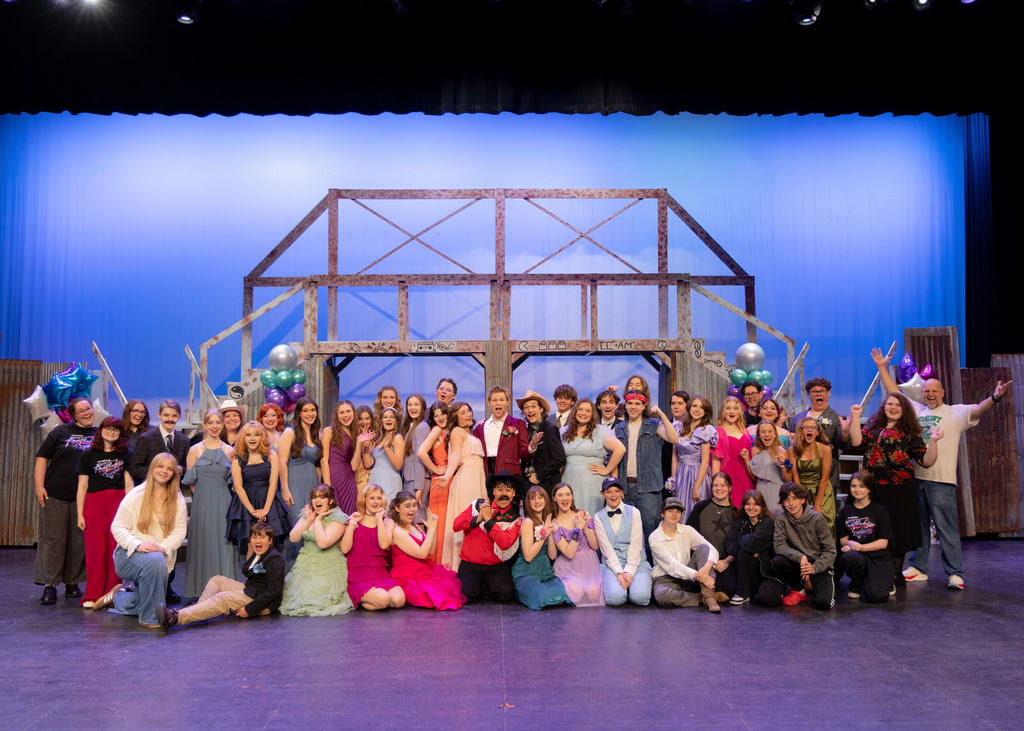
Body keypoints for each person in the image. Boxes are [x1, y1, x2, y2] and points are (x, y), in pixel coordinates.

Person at [872, 346, 1013, 590]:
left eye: (934, 391)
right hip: (915, 478)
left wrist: (996, 397)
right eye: (927, 391)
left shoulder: (955, 412)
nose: (930, 394)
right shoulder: (916, 411)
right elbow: (893, 391)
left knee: (946, 527)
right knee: (919, 528)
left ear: (942, 392)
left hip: (941, 480)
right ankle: (919, 568)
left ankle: (955, 573)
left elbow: (979, 409)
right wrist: (882, 367)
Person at [847, 393, 942, 589]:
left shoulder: (910, 432)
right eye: (890, 404)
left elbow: (926, 461)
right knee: (871, 530)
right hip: (872, 488)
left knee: (897, 533)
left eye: (898, 405)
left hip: (899, 490)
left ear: (904, 409)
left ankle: (895, 575)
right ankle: (874, 572)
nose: (893, 407)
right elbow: (856, 442)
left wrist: (933, 441)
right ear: (884, 407)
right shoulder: (873, 426)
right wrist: (856, 417)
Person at [93, 453, 188, 628]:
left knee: (145, 595)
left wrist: (162, 547)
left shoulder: (177, 499)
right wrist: (138, 544)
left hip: (160, 556)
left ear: (174, 473)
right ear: (152, 468)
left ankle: (120, 598)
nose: (164, 471)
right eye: (160, 467)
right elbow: (118, 527)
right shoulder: (136, 495)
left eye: (169, 469)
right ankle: (151, 618)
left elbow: (180, 531)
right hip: (128, 555)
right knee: (154, 563)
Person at [155, 521, 284, 629]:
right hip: (250, 590)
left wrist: (250, 610)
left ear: (270, 540)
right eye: (254, 537)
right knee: (217, 580)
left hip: (258, 599)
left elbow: (273, 591)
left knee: (222, 598)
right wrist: (251, 549)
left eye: (262, 537)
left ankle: (175, 618)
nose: (258, 540)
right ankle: (198, 609)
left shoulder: (274, 559)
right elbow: (246, 570)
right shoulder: (259, 554)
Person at [34, 395, 95, 605]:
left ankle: (73, 583)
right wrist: (39, 486)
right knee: (54, 540)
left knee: (78, 542)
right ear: (73, 415)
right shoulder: (61, 432)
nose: (87, 413)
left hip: (84, 498)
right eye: (81, 411)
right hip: (56, 494)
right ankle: (50, 585)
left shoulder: (98, 435)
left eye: (88, 408)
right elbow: (42, 458)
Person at [75, 415, 133, 607]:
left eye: (116, 429)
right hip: (94, 502)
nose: (112, 432)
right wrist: (80, 514)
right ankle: (92, 594)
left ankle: (112, 594)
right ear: (101, 430)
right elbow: (82, 486)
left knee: (115, 548)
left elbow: (128, 484)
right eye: (108, 428)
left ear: (120, 434)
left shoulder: (126, 454)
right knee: (96, 549)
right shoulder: (88, 455)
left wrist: (131, 510)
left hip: (118, 501)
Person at [613, 390, 679, 553]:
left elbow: (673, 438)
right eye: (630, 403)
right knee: (627, 535)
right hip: (625, 488)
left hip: (648, 489)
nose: (633, 407)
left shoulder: (654, 425)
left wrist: (662, 414)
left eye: (637, 404)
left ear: (644, 406)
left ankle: (653, 572)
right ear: (625, 405)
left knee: (652, 535)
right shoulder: (619, 428)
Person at [182, 408, 237, 599]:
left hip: (224, 501)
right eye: (210, 423)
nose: (214, 426)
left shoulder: (229, 451)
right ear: (204, 425)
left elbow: (233, 482)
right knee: (203, 543)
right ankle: (201, 591)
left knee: (223, 543)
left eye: (218, 422)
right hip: (203, 502)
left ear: (222, 425)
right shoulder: (194, 450)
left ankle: (225, 591)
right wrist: (202, 500)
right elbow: (192, 483)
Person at [279, 485, 353, 616]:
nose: (317, 500)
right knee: (298, 598)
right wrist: (308, 520)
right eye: (314, 497)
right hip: (306, 562)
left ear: (330, 500)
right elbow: (293, 537)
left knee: (318, 599)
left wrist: (318, 521)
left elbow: (323, 543)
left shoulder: (337, 518)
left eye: (321, 497)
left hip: (327, 564)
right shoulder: (309, 514)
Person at [760, 483, 836, 610]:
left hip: (817, 563)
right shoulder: (781, 518)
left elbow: (830, 551)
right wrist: (800, 557)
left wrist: (813, 568)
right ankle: (800, 589)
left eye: (794, 498)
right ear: (783, 503)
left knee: (824, 602)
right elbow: (779, 545)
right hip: (798, 562)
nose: (791, 503)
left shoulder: (817, 518)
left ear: (802, 499)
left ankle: (813, 583)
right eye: (786, 500)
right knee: (778, 561)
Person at [451, 471, 523, 603]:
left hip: (495, 566)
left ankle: (480, 588)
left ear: (513, 494)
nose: (503, 494)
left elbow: (504, 543)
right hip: (470, 564)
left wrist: (488, 519)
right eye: (500, 489)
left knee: (506, 595)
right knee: (465, 596)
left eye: (508, 490)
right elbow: (456, 525)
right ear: (493, 491)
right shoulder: (477, 505)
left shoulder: (515, 519)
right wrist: (479, 517)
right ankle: (478, 588)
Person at [389, 491, 465, 610]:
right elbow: (422, 553)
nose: (412, 509)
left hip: (423, 571)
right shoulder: (397, 531)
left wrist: (431, 528)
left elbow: (431, 550)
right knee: (435, 598)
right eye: (407, 506)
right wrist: (432, 529)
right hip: (407, 577)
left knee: (447, 591)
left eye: (414, 505)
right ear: (397, 508)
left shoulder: (415, 526)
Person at [226, 421, 291, 555]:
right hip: (247, 504)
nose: (252, 438)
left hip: (270, 501)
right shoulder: (238, 459)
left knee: (270, 543)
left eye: (256, 435)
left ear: (262, 437)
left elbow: (273, 483)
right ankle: (253, 575)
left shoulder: (271, 455)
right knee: (251, 545)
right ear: (243, 438)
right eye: (248, 435)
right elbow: (238, 488)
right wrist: (253, 511)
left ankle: (270, 575)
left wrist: (266, 509)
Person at [650, 497, 721, 612]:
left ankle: (709, 595)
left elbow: (713, 549)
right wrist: (698, 575)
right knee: (661, 595)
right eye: (670, 511)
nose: (674, 514)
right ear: (662, 514)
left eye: (678, 511)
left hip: (689, 576)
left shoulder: (687, 530)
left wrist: (706, 569)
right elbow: (672, 566)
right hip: (666, 578)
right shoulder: (655, 537)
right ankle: (699, 598)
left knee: (704, 548)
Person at [439, 401, 487, 570]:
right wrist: (447, 475)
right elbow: (455, 456)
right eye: (463, 412)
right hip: (466, 480)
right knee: (467, 521)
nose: (468, 415)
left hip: (477, 479)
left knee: (478, 522)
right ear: (455, 417)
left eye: (469, 411)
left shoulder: (471, 433)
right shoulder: (457, 432)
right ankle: (460, 567)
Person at [341, 484, 404, 610]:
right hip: (359, 576)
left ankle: (372, 600)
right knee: (383, 600)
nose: (376, 502)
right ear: (364, 500)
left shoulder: (387, 522)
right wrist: (352, 524)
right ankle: (359, 597)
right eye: (372, 498)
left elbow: (384, 544)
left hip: (380, 574)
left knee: (399, 600)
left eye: (379, 498)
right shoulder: (354, 519)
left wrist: (379, 519)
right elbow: (344, 549)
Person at [560, 398, 625, 517]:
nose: (583, 413)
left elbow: (620, 449)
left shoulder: (600, 431)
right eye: (580, 409)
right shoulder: (563, 431)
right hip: (569, 480)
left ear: (593, 414)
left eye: (588, 411)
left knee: (591, 519)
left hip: (592, 483)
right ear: (574, 411)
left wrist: (607, 470)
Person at [593, 476, 653, 607]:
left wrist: (630, 571)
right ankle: (623, 588)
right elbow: (606, 549)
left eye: (616, 491)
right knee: (616, 599)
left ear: (622, 493)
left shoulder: (634, 512)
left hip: (636, 562)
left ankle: (633, 587)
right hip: (612, 563)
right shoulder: (598, 517)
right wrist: (619, 572)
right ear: (603, 494)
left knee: (640, 598)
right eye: (608, 492)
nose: (613, 495)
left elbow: (636, 544)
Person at [279, 397, 324, 570]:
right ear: (298, 413)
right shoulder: (290, 433)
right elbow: (282, 462)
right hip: (294, 483)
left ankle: (309, 574)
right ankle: (292, 575)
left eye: (312, 410)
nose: (310, 414)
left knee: (311, 529)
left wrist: (320, 491)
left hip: (312, 485)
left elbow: (318, 466)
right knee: (297, 525)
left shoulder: (317, 435)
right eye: (305, 410)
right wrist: (285, 490)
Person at [837, 472, 894, 603]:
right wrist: (850, 543)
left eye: (861, 486)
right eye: (853, 486)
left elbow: (883, 543)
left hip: (879, 557)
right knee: (849, 557)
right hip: (859, 557)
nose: (857, 490)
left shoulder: (880, 510)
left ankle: (888, 581)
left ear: (869, 489)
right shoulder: (845, 511)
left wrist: (858, 547)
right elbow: (843, 539)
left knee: (876, 596)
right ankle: (856, 584)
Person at [511, 486, 571, 610]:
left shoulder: (550, 522)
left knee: (562, 596)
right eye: (533, 499)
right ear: (528, 502)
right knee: (543, 596)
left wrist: (549, 533)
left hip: (545, 572)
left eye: (540, 497)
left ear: (546, 500)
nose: (537, 501)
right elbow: (528, 557)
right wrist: (543, 535)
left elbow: (552, 556)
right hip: (526, 573)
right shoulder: (528, 522)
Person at [785, 378, 845, 497]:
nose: (818, 394)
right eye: (814, 391)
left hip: (826, 475)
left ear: (828, 393)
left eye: (822, 391)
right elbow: (791, 443)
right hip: (801, 475)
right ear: (808, 394)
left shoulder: (837, 418)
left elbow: (842, 445)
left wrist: (846, 432)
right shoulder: (797, 418)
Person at [685, 472, 738, 601]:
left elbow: (739, 542)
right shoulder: (701, 507)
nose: (719, 488)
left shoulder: (736, 513)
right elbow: (689, 535)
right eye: (715, 485)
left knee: (730, 588)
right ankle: (705, 594)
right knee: (695, 583)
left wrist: (726, 561)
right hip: (703, 560)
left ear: (730, 487)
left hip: (723, 562)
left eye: (723, 485)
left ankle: (706, 595)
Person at [551, 483, 603, 607]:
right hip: (569, 565)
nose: (565, 498)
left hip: (589, 562)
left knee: (593, 594)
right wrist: (578, 529)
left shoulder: (582, 514)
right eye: (560, 495)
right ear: (554, 498)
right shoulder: (555, 524)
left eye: (568, 494)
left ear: (572, 497)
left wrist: (584, 526)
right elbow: (569, 553)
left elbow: (595, 546)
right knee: (576, 594)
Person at [725, 490, 775, 605]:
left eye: (756, 504)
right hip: (745, 570)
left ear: (762, 506)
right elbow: (730, 547)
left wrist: (742, 539)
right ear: (743, 506)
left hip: (765, 572)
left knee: (768, 598)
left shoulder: (767, 522)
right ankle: (743, 593)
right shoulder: (740, 523)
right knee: (744, 551)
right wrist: (751, 548)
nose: (751, 507)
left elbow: (753, 543)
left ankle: (762, 590)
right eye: (748, 504)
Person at [670, 394, 717, 518]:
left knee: (697, 513)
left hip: (698, 475)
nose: (697, 409)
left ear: (706, 411)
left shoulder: (705, 430)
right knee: (681, 511)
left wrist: (696, 486)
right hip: (681, 474)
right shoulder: (678, 428)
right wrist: (673, 481)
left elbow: (705, 461)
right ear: (689, 407)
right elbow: (674, 458)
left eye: (701, 407)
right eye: (694, 406)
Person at [788, 417, 835, 539]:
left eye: (813, 428)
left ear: (817, 432)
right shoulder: (792, 450)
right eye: (806, 427)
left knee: (826, 523)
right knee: (804, 527)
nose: (810, 430)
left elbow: (825, 478)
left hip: (822, 490)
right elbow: (795, 477)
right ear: (801, 431)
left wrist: (817, 504)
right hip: (801, 491)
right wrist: (801, 500)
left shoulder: (825, 449)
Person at [417, 401, 450, 564]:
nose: (440, 418)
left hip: (451, 480)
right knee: (440, 526)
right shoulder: (437, 430)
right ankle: (439, 565)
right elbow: (421, 452)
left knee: (448, 525)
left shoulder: (450, 431)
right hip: (441, 483)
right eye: (436, 416)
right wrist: (436, 470)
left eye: (442, 413)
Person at [516, 390, 566, 495]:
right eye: (526, 407)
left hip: (546, 485)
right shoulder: (525, 430)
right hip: (528, 486)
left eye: (533, 406)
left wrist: (539, 475)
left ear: (541, 409)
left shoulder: (549, 429)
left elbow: (559, 458)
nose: (530, 410)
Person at [128, 399, 189, 484]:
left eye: (174, 416)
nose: (170, 419)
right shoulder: (146, 438)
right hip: (151, 491)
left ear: (179, 417)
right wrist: (158, 473)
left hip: (174, 492)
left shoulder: (184, 440)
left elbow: (188, 471)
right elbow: (135, 469)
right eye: (166, 415)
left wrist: (181, 470)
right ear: (159, 415)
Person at [473, 386, 529, 477]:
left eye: (502, 400)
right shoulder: (480, 428)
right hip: (486, 471)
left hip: (509, 472)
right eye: (494, 400)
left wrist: (532, 447)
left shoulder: (518, 423)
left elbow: (524, 453)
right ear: (489, 403)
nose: (498, 403)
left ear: (507, 402)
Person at [713, 396, 755, 508]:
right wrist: (716, 485)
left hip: (745, 478)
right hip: (727, 478)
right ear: (723, 411)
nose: (732, 411)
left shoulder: (745, 432)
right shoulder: (717, 432)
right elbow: (715, 462)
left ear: (740, 411)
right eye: (728, 408)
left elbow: (751, 461)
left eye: (735, 408)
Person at [743, 420, 791, 517]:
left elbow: (788, 479)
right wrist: (747, 460)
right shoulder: (755, 450)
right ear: (759, 435)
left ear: (774, 434)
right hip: (761, 490)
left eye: (770, 431)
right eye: (763, 432)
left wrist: (782, 465)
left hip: (777, 491)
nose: (766, 435)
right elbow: (753, 477)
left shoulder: (782, 451)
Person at [363, 406, 405, 503]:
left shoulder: (397, 438)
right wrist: (366, 444)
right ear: (382, 420)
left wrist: (387, 448)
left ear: (396, 421)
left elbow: (398, 465)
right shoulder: (380, 440)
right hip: (376, 479)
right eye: (385, 417)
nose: (388, 419)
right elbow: (368, 464)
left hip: (389, 481)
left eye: (391, 417)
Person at [402, 393, 431, 521]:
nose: (412, 408)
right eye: (410, 405)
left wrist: (420, 487)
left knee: (418, 519)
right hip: (410, 479)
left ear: (423, 407)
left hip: (417, 481)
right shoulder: (411, 426)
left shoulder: (422, 427)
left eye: (416, 404)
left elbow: (420, 459)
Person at [662, 390, 689, 482]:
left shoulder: (694, 427)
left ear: (687, 405)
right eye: (673, 403)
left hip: (689, 473)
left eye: (680, 403)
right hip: (666, 475)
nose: (676, 406)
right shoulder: (663, 425)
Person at [353, 405, 374, 491]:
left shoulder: (374, 438)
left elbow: (369, 463)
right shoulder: (352, 438)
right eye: (360, 419)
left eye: (367, 418)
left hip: (371, 481)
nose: (364, 422)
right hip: (357, 480)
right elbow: (366, 464)